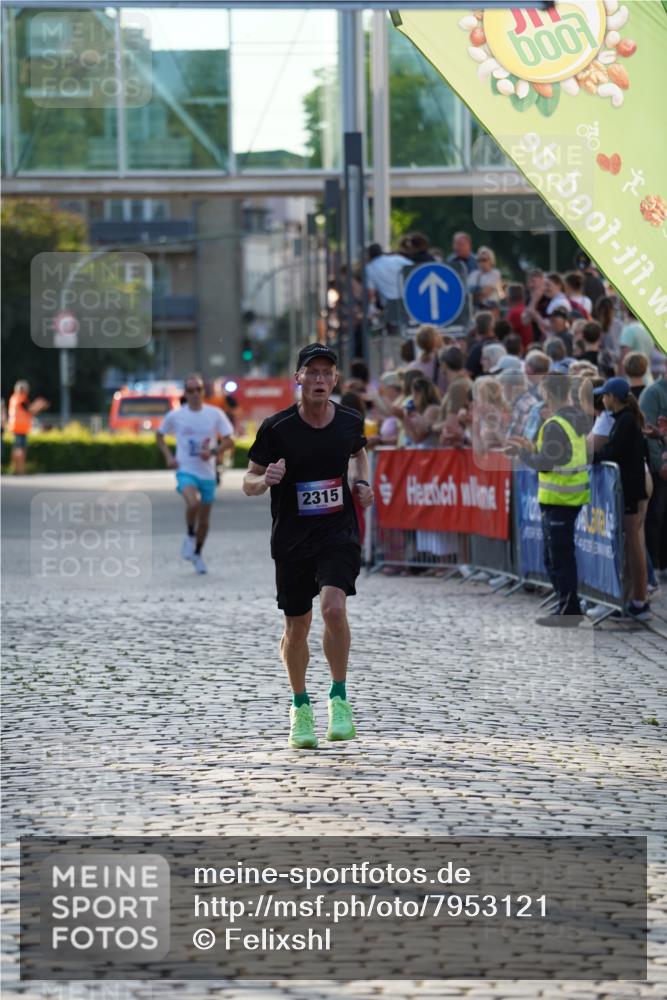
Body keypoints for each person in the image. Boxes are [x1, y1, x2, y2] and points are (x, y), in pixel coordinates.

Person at [242, 343, 373, 750]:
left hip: (338, 533)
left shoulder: (350, 421)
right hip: (292, 539)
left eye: (326, 373)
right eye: (311, 372)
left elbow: (359, 456)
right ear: (297, 378)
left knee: (334, 608)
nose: (319, 380)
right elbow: (247, 480)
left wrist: (361, 482)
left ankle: (339, 697)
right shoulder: (276, 429)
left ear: (335, 380)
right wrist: (266, 480)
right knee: (297, 627)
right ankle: (300, 705)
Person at [506, 372, 590, 626]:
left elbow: (547, 463)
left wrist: (524, 454)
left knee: (558, 557)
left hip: (559, 498)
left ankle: (569, 610)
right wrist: (531, 450)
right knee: (558, 555)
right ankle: (567, 605)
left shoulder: (555, 423)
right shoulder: (576, 417)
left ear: (547, 393)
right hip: (570, 495)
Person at [157, 373, 234, 574]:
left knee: (205, 520)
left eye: (197, 389)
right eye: (190, 390)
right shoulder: (176, 415)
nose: (194, 394)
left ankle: (198, 553)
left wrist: (213, 452)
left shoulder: (215, 414)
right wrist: (168, 457)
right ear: (185, 393)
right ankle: (190, 536)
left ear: (203, 392)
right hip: (185, 470)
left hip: (207, 473)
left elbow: (230, 440)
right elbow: (159, 436)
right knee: (193, 503)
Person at [592, 377, 650, 620]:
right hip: (629, 488)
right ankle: (633, 599)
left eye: (604, 395)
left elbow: (613, 450)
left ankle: (639, 600)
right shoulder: (622, 419)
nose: (602, 399)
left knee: (634, 545)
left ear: (613, 398)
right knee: (630, 544)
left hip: (631, 490)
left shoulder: (625, 420)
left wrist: (594, 457)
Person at [7, 380, 49, 475]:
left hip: (16, 427)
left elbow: (28, 412)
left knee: (16, 449)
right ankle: (21, 470)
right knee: (21, 449)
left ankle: (15, 469)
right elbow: (29, 410)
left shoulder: (14, 398)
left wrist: (38, 406)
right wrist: (39, 405)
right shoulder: (20, 399)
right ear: (23, 390)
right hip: (20, 427)